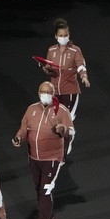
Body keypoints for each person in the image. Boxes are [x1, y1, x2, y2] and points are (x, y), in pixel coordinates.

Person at [12, 81, 74, 219]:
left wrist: (62, 129)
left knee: (46, 189)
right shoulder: (31, 109)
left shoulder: (61, 110)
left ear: (53, 94)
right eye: (42, 91)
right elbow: (24, 127)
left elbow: (71, 130)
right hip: (33, 157)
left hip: (52, 157)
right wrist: (19, 137)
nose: (45, 94)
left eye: (48, 92)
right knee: (40, 188)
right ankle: (50, 217)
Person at [42, 18, 90, 157]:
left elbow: (81, 65)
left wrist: (84, 76)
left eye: (66, 35)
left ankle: (64, 149)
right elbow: (49, 69)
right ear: (56, 36)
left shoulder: (75, 50)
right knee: (55, 120)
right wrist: (46, 69)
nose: (64, 38)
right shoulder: (51, 50)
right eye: (61, 35)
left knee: (66, 120)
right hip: (54, 92)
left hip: (71, 91)